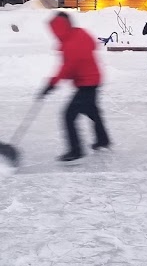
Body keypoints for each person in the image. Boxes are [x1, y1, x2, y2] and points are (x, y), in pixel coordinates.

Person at [39, 11, 110, 163]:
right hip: (93, 79)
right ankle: (103, 139)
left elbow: (67, 68)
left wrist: (51, 84)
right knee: (91, 111)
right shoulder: (78, 33)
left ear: (59, 28)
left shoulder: (71, 44)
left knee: (68, 115)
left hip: (87, 83)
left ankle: (76, 150)